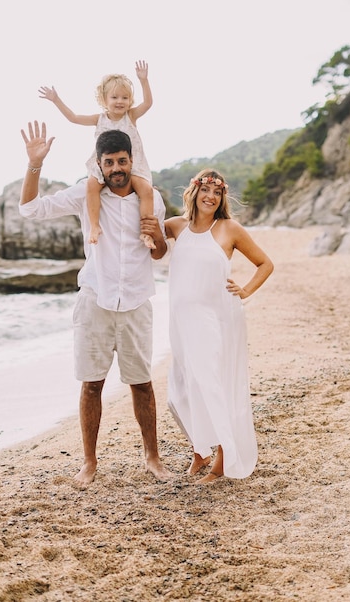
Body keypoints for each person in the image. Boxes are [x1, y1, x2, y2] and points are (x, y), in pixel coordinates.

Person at [19, 120, 173, 487]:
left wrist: (158, 238)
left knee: (142, 384)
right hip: (94, 301)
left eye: (122, 161)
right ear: (99, 164)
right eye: (109, 162)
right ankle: (89, 462)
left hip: (137, 302)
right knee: (91, 385)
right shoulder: (85, 196)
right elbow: (31, 209)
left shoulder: (152, 199)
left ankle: (152, 456)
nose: (116, 169)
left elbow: (161, 255)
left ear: (131, 160)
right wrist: (34, 163)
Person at [165, 169, 274, 484]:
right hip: (181, 322)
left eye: (217, 192)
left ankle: (223, 458)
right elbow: (145, 232)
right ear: (194, 192)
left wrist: (245, 291)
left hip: (216, 319)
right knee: (180, 392)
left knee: (212, 386)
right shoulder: (177, 226)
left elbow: (266, 264)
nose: (210, 197)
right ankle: (201, 450)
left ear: (222, 197)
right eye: (205, 190)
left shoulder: (229, 228)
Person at [38, 60, 154, 247]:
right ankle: (94, 226)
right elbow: (73, 118)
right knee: (91, 187)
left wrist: (144, 80)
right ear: (104, 99)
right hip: (105, 166)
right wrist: (56, 100)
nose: (120, 102)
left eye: (125, 98)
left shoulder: (130, 116)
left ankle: (146, 233)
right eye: (115, 97)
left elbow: (148, 103)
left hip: (131, 164)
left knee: (147, 191)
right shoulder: (98, 119)